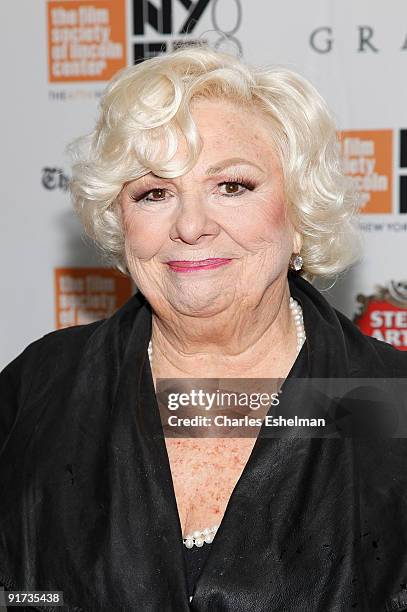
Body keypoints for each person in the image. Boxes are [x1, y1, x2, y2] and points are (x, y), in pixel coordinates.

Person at [1, 43, 407, 612]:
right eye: (154, 193)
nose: (190, 225)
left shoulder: (390, 401)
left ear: (299, 212)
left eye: (232, 186)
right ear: (122, 223)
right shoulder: (39, 388)